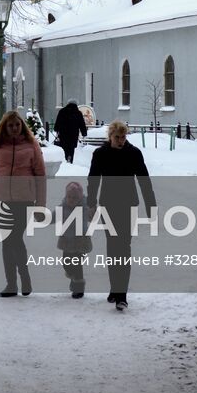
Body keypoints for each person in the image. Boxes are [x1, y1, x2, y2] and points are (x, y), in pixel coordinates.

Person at [0, 110, 47, 297]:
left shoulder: (32, 146)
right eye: (10, 125)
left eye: (17, 125)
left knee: (14, 238)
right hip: (2, 201)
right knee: (7, 241)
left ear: (22, 126)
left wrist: (40, 204)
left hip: (24, 200)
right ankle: (12, 283)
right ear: (4, 127)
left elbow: (40, 175)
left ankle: (24, 278)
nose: (14, 128)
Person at [86, 120, 156, 311]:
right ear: (110, 137)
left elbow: (144, 181)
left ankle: (121, 294)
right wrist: (91, 203)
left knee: (123, 248)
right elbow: (93, 180)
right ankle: (114, 288)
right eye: (117, 137)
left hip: (128, 206)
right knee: (113, 247)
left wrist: (152, 207)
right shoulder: (100, 154)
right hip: (108, 205)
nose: (120, 141)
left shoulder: (133, 153)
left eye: (123, 137)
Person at [56, 180, 92, 298]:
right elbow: (53, 216)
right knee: (66, 264)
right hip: (67, 241)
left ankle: (79, 289)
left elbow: (94, 216)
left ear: (80, 198)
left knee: (77, 265)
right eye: (69, 197)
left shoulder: (85, 208)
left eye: (75, 197)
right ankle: (73, 277)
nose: (71, 199)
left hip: (80, 242)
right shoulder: (63, 208)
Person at [53, 98, 89, 163]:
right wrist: (84, 133)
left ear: (68, 103)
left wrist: (56, 129)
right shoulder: (78, 113)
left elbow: (58, 122)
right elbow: (82, 124)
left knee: (64, 147)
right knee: (71, 148)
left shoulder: (62, 111)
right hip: (73, 135)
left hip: (63, 134)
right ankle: (70, 159)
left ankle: (65, 159)